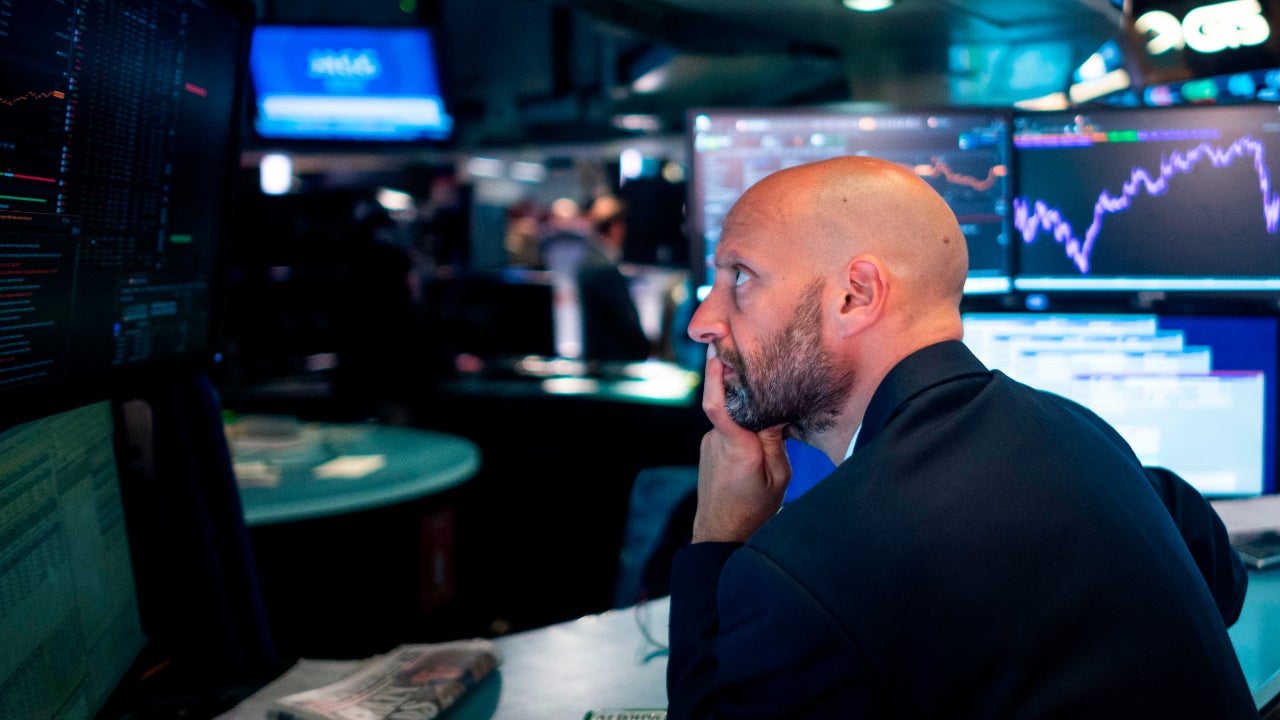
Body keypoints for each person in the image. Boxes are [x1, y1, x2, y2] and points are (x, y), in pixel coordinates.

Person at [667, 155, 1256, 719]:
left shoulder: (802, 571)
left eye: (739, 277)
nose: (702, 321)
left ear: (856, 296)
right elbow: (1223, 581)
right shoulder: (1081, 432)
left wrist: (719, 539)